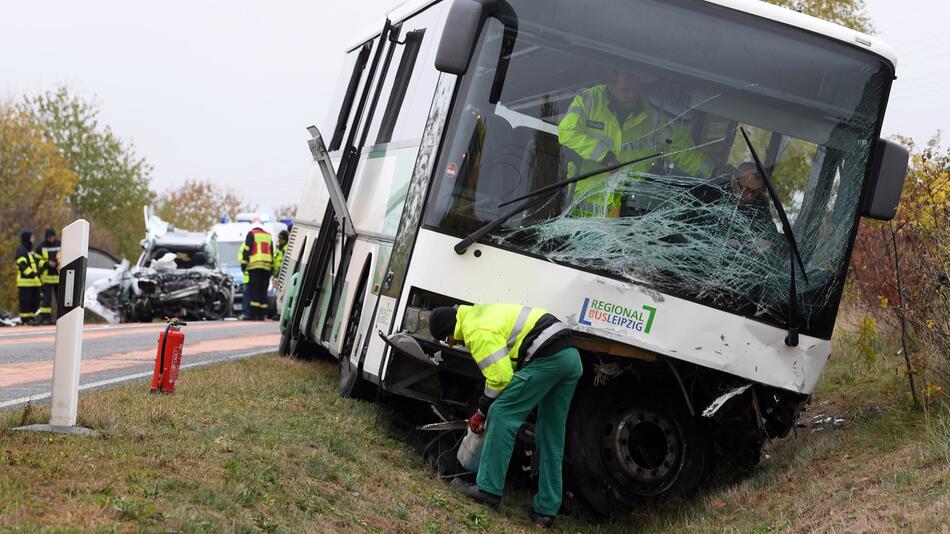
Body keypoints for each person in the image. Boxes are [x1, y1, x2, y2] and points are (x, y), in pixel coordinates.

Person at [429, 304, 582, 529]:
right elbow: (507, 364)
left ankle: (488, 490)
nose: (452, 344)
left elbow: (501, 378)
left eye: (448, 339)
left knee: (501, 413)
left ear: (449, 331)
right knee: (550, 433)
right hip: (570, 358)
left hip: (549, 358)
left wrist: (481, 411)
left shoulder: (474, 330)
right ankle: (546, 511)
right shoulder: (479, 312)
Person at [558, 71, 707, 217]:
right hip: (580, 211)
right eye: (626, 90)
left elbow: (683, 151)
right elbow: (567, 133)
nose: (632, 96)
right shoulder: (589, 101)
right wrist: (605, 156)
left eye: (635, 90)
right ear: (611, 84)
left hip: (627, 216)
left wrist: (712, 173)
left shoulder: (654, 118)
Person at [241, 218, 274, 320]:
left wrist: (244, 265)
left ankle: (254, 315)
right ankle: (262, 315)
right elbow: (272, 252)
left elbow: (247, 250)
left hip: (255, 266)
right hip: (267, 267)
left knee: (254, 290)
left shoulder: (251, 234)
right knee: (263, 290)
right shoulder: (268, 235)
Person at [15, 231, 42, 325]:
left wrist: (38, 275)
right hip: (25, 282)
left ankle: (31, 318)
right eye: (32, 237)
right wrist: (33, 274)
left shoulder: (29, 250)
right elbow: (22, 265)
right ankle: (25, 321)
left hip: (34, 282)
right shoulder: (21, 250)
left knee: (34, 302)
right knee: (25, 302)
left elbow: (34, 264)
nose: (33, 239)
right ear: (27, 238)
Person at [35, 228, 61, 325]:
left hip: (58, 277)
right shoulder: (41, 247)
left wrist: (58, 263)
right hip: (46, 277)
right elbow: (36, 261)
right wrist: (47, 264)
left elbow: (66, 256)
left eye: (52, 237)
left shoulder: (60, 244)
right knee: (46, 299)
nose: (51, 239)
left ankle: (61, 318)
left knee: (60, 299)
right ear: (46, 237)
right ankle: (46, 319)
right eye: (49, 237)